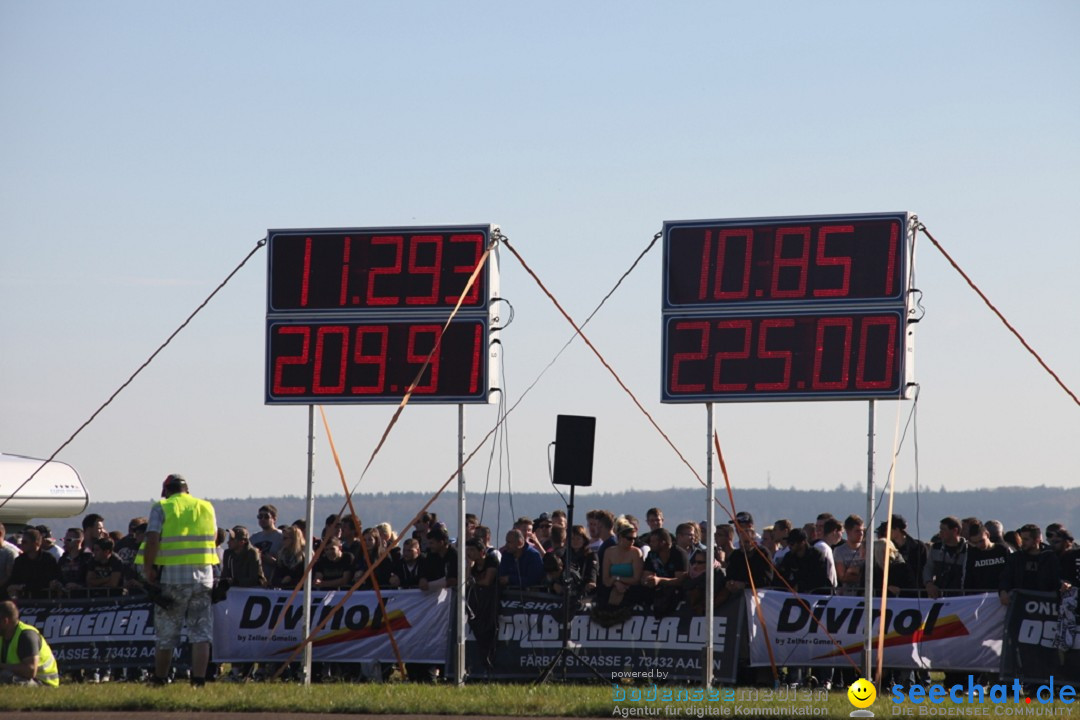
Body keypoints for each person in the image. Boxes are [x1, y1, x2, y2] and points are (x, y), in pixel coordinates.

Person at [139, 473, 219, 687]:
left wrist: (149, 568)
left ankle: (160, 678)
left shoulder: (162, 507)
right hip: (204, 576)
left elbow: (153, 538)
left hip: (173, 577)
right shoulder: (206, 507)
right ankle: (199, 681)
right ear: (187, 490)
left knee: (167, 632)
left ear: (166, 490)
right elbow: (215, 537)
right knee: (201, 632)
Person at [999, 524, 1062, 605]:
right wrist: (1003, 591)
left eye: (1026, 539)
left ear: (1037, 540)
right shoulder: (1015, 558)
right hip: (1021, 604)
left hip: (1045, 604)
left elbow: (1058, 578)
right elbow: (1006, 577)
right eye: (1021, 539)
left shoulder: (1051, 557)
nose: (1022, 542)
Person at [0, 600, 59, 686]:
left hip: (43, 683)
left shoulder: (27, 635)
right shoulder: (3, 636)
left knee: (5, 676)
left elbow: (30, 671)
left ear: (5, 621)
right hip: (22, 677)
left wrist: (2, 666)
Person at [5, 528, 62, 599]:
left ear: (36, 543)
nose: (21, 544)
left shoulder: (48, 559)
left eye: (24, 542)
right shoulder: (19, 560)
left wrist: (23, 587)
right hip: (24, 600)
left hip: (46, 599)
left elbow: (51, 581)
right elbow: (13, 580)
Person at [924, 516, 968, 599]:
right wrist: (929, 584)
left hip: (961, 598)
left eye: (943, 530)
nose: (940, 533)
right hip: (939, 596)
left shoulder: (968, 550)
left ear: (955, 531)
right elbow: (928, 568)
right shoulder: (936, 548)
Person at [963, 522, 1010, 594]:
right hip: (979, 596)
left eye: (981, 541)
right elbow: (968, 578)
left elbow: (1009, 573)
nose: (979, 545)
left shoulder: (1002, 550)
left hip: (1000, 594)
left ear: (987, 535)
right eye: (975, 543)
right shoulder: (973, 554)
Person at [250, 504, 284, 582]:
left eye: (266, 517)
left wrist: (274, 562)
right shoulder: (254, 538)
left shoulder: (281, 537)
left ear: (274, 519)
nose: (262, 519)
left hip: (274, 581)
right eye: (260, 516)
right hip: (255, 581)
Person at [269, 524, 307, 589]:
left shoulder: (304, 556)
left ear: (294, 539)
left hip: (299, 591)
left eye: (285, 538)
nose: (282, 541)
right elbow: (275, 577)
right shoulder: (281, 555)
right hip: (283, 590)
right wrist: (281, 581)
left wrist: (290, 578)